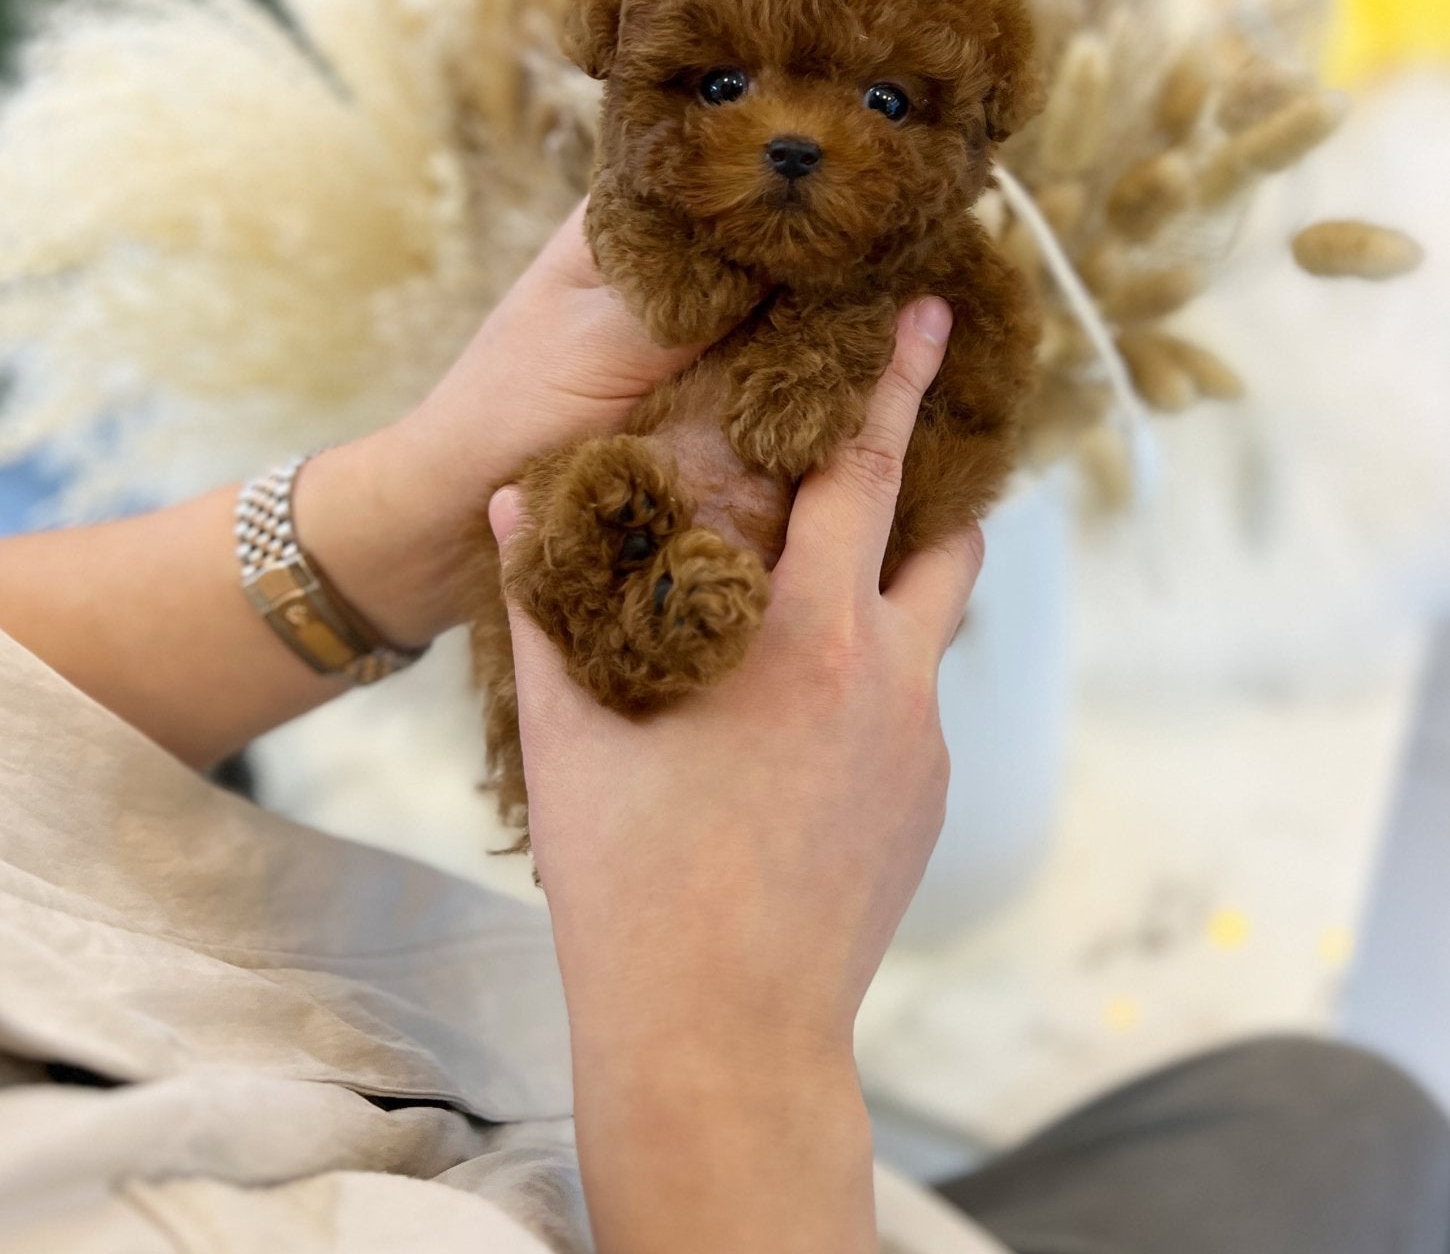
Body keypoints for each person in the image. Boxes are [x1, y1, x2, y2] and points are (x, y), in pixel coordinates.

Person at [1, 205, 1446, 1254]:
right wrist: (728, 1050)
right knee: (1342, 1136)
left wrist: (398, 514)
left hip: (478, 1075)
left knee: (1336, 1116)